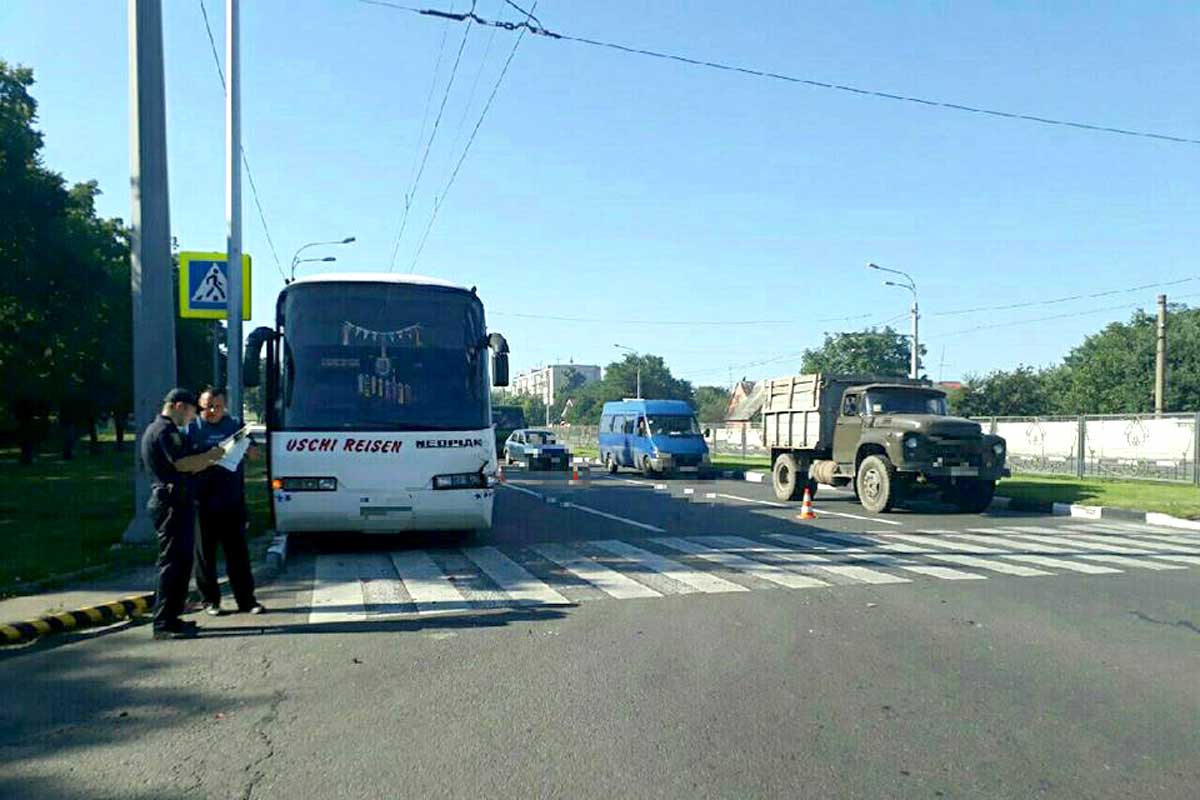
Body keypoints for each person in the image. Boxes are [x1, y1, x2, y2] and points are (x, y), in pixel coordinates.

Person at [140, 388, 224, 640]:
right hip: (170, 504)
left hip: (179, 502)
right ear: (178, 406)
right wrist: (211, 457)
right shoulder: (164, 431)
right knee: (172, 565)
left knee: (182, 563)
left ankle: (173, 618)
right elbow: (182, 464)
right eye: (190, 411)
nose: (191, 417)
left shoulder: (166, 430)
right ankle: (163, 624)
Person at [188, 386, 265, 617]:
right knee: (205, 555)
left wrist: (250, 450)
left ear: (225, 406)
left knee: (238, 554)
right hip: (202, 501)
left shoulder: (234, 426)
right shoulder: (192, 427)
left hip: (232, 500)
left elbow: (253, 452)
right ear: (200, 405)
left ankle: (247, 600)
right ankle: (210, 601)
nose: (212, 410)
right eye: (207, 405)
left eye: (217, 406)